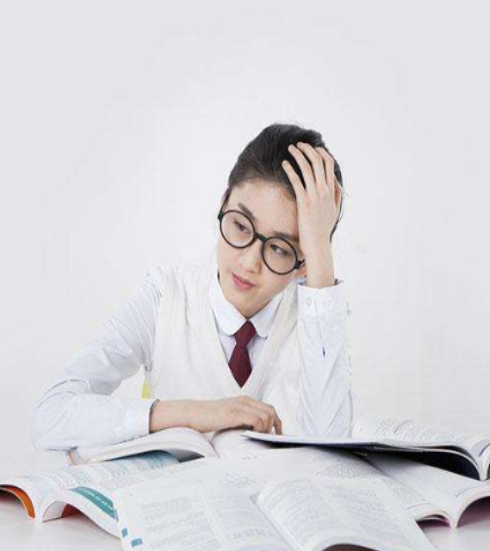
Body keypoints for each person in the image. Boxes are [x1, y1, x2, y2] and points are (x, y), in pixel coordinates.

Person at [32, 123, 353, 450]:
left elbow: (334, 451)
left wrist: (320, 254)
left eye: (280, 249)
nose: (249, 262)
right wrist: (197, 413)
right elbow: (51, 416)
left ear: (304, 262)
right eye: (241, 226)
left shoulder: (316, 316)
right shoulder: (165, 296)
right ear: (223, 202)